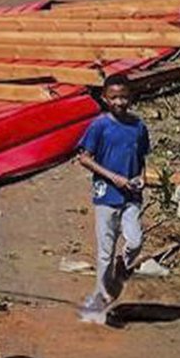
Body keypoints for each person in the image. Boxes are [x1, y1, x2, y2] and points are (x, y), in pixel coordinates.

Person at [76, 73, 150, 324]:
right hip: (106, 195)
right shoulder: (99, 126)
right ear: (105, 99)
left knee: (136, 240)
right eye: (114, 97)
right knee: (104, 253)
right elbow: (85, 157)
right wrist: (113, 177)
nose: (120, 102)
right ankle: (99, 303)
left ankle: (124, 265)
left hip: (132, 194)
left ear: (131, 97)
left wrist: (142, 177)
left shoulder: (138, 127)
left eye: (124, 97)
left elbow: (141, 158)